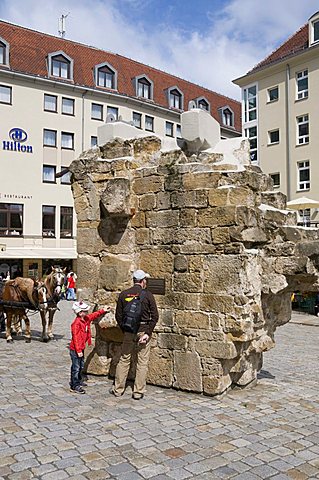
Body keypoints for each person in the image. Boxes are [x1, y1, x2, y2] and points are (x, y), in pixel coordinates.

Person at [111, 269, 159, 400]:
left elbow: (118, 316)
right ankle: (138, 391)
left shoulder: (124, 294)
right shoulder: (148, 295)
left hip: (128, 331)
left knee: (124, 359)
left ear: (133, 280)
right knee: (142, 362)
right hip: (143, 331)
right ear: (143, 281)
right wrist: (148, 333)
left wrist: (125, 330)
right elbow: (155, 316)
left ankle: (118, 389)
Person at [69, 301, 110, 394]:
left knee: (80, 366)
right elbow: (75, 338)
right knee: (76, 367)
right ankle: (74, 385)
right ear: (80, 313)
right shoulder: (76, 323)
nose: (87, 312)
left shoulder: (86, 319)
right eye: (85, 311)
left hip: (81, 347)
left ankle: (78, 381)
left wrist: (103, 310)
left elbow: (93, 315)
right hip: (75, 349)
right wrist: (78, 350)